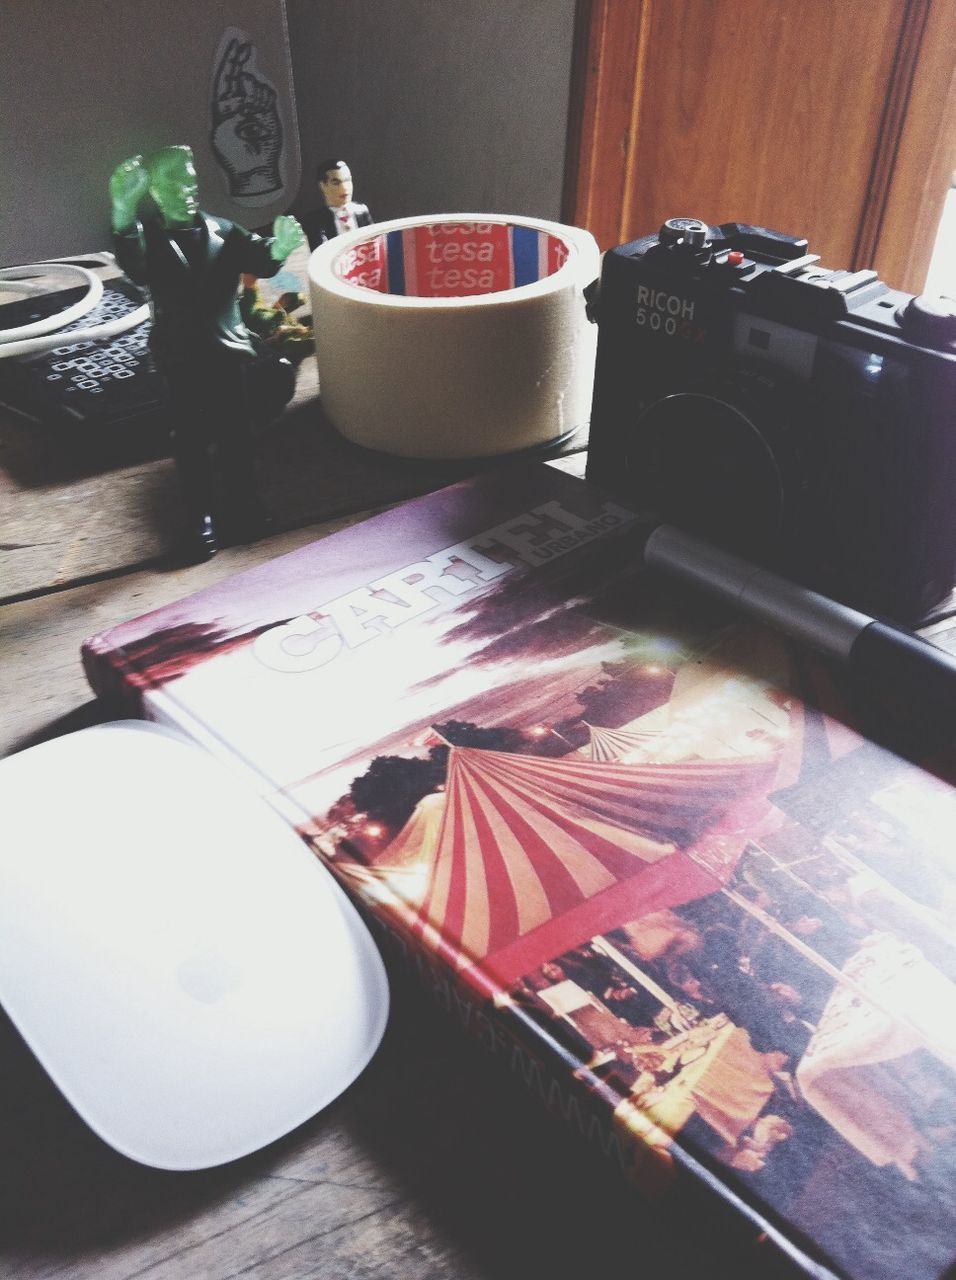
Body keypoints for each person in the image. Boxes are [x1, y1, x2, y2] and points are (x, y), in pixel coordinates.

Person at [109, 145, 305, 560]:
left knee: (237, 435)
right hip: (181, 358)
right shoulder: (150, 238)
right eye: (171, 184)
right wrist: (123, 212)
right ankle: (199, 520)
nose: (185, 191)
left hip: (225, 352)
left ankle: (244, 507)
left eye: (190, 181)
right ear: (155, 192)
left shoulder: (223, 230)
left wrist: (279, 248)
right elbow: (135, 265)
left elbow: (259, 255)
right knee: (191, 442)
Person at [302, 159, 373, 250]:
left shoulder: (361, 211)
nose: (344, 188)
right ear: (323, 185)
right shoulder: (315, 220)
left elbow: (372, 241)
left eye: (347, 180)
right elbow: (321, 251)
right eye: (336, 183)